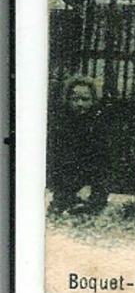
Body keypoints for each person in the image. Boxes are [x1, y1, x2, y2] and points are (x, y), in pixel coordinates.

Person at [48, 74, 110, 216]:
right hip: (65, 187)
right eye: (75, 99)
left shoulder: (99, 127)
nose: (80, 104)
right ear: (68, 100)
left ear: (93, 101)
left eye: (85, 99)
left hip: (92, 188)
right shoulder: (60, 126)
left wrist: (91, 188)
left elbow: (103, 163)